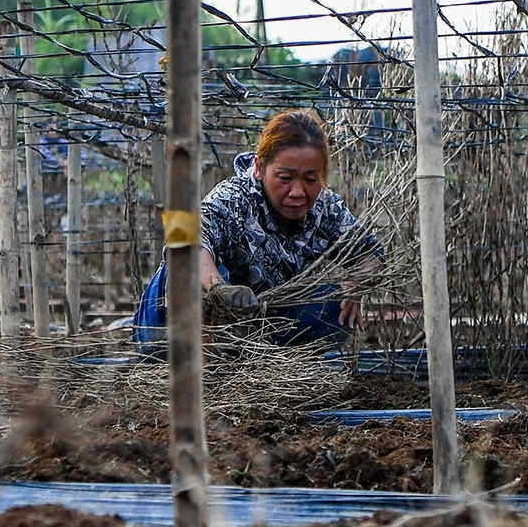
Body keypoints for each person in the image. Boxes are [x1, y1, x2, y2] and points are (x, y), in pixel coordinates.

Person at [134, 109, 380, 348]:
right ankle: (198, 352)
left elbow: (372, 254)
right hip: (169, 332)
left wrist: (356, 282)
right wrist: (219, 289)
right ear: (260, 167)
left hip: (257, 333)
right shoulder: (232, 198)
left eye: (311, 180)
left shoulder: (326, 207)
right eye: (285, 178)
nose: (298, 192)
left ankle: (263, 363)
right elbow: (184, 238)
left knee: (334, 301)